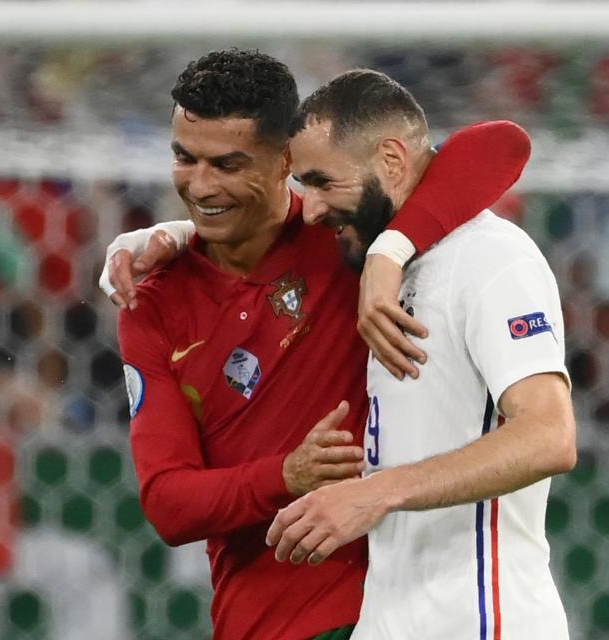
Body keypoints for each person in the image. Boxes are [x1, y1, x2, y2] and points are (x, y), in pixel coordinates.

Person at [114, 50, 530, 640]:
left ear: (288, 158)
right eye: (186, 158)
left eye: (228, 164)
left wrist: (389, 253)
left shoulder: (343, 237)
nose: (200, 185)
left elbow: (502, 145)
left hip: (386, 610)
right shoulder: (152, 303)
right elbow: (168, 503)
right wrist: (288, 474)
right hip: (261, 622)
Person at [264, 70, 576, 639]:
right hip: (392, 616)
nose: (310, 210)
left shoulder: (490, 257)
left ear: (390, 160)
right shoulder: (390, 262)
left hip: (480, 619)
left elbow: (549, 435)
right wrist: (155, 241)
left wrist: (373, 494)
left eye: (322, 182)